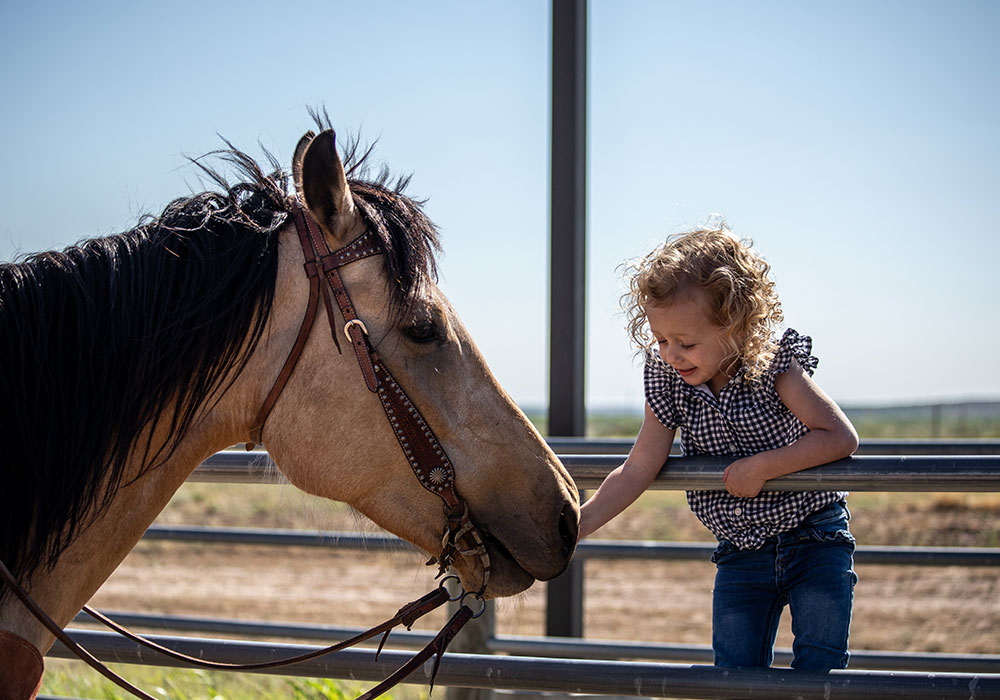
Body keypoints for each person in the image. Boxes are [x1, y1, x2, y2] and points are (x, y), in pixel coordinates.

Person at [578, 225, 860, 670]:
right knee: (734, 674)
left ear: (737, 324)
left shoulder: (774, 367)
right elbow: (638, 467)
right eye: (661, 340)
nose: (672, 354)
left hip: (814, 535)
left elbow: (840, 437)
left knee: (820, 672)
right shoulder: (669, 381)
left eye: (686, 343)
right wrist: (581, 522)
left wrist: (763, 467)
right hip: (740, 548)